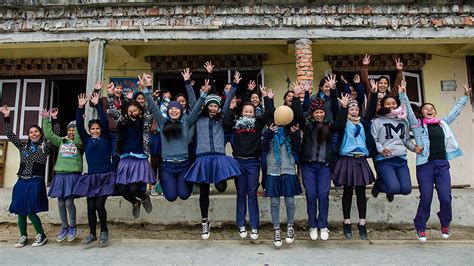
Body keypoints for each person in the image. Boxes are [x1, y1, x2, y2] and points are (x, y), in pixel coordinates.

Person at [399, 80, 471, 242]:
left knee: (446, 197)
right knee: (426, 197)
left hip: (442, 164)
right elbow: (409, 112)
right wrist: (403, 94)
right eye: (426, 108)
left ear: (435, 111)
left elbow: (455, 112)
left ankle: (445, 223)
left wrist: (465, 97)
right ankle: (420, 226)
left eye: (432, 108)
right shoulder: (417, 126)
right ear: (422, 113)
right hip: (425, 166)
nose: (429, 110)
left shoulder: (443, 124)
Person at [184, 71, 242, 240]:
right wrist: (188, 83)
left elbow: (227, 102)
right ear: (206, 106)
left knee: (222, 186)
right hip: (202, 158)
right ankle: (204, 222)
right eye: (211, 105)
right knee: (204, 192)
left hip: (218, 157)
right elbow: (195, 102)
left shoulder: (220, 118)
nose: (213, 108)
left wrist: (235, 85)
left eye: (215, 106)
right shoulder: (197, 118)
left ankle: (218, 182)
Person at [143, 73, 207, 202]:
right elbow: (153, 107)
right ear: (168, 111)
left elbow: (196, 109)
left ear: (181, 110)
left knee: (184, 195)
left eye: (176, 108)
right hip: (167, 166)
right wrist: (146, 89)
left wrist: (202, 95)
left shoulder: (187, 122)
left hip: (184, 164)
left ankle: (187, 182)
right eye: (171, 109)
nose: (173, 110)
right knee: (171, 197)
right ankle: (163, 183)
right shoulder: (163, 122)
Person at [224, 85, 275, 240]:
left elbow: (269, 114)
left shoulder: (258, 123)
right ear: (241, 112)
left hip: (253, 163)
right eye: (245, 111)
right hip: (239, 162)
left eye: (250, 111)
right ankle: (241, 225)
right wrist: (231, 107)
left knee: (252, 194)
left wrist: (268, 98)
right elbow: (226, 121)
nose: (248, 113)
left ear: (254, 113)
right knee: (241, 194)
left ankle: (254, 226)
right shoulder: (236, 122)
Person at [331, 80, 378, 241]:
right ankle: (347, 223)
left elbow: (371, 111)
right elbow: (336, 123)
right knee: (348, 192)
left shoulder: (364, 123)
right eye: (351, 108)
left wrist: (374, 93)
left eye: (356, 108)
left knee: (360, 193)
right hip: (347, 160)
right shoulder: (343, 124)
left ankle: (362, 224)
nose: (354, 110)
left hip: (361, 160)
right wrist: (343, 106)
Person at [1, 106, 52, 248]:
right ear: (28, 135)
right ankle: (23, 236)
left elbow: (54, 136)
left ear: (41, 134)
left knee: (30, 209)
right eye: (31, 132)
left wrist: (50, 119)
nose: (34, 134)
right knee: (20, 210)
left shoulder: (45, 147)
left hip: (36, 181)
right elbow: (9, 134)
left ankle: (41, 235)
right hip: (21, 181)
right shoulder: (23, 146)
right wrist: (6, 117)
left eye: (36, 132)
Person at [74, 92, 116, 246]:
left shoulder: (105, 138)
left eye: (97, 128)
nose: (95, 130)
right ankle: (92, 233)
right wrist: (80, 107)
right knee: (90, 206)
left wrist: (97, 105)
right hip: (91, 177)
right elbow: (79, 124)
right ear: (90, 130)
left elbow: (104, 121)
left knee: (99, 205)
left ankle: (104, 231)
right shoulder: (86, 140)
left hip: (105, 176)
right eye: (93, 129)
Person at [107, 88, 155, 219]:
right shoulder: (122, 122)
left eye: (134, 110)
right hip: (125, 158)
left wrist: (147, 89)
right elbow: (112, 111)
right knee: (122, 189)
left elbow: (150, 108)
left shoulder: (144, 122)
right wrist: (111, 94)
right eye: (129, 111)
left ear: (139, 111)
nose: (132, 113)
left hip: (139, 158)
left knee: (134, 189)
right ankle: (135, 202)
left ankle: (144, 197)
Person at [294, 95, 336, 241]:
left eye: (321, 112)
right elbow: (298, 115)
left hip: (324, 166)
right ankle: (313, 225)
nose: (319, 114)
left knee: (323, 195)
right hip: (308, 165)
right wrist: (295, 97)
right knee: (311, 195)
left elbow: (341, 120)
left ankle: (323, 225)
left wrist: (336, 96)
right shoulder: (307, 125)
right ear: (312, 113)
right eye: (316, 112)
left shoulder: (330, 126)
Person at [261, 106, 302, 247]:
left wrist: (296, 135)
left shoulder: (290, 131)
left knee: (290, 202)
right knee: (274, 203)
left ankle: (290, 227)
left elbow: (297, 148)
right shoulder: (269, 130)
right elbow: (263, 148)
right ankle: (276, 230)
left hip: (288, 169)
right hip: (273, 169)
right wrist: (268, 133)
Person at [370, 92, 422, 202]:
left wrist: (414, 148)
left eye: (393, 103)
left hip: (401, 160)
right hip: (384, 160)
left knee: (406, 189)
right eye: (388, 104)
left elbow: (406, 140)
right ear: (383, 106)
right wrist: (381, 149)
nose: (391, 106)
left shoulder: (403, 121)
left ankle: (385, 184)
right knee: (393, 188)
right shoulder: (377, 121)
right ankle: (379, 185)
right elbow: (373, 140)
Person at [42, 108, 83, 242]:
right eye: (70, 129)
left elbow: (78, 139)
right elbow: (49, 135)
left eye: (74, 130)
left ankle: (72, 226)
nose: (71, 132)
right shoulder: (61, 141)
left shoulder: (79, 143)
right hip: (60, 176)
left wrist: (79, 123)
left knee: (69, 202)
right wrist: (46, 119)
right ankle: (64, 227)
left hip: (72, 175)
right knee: (60, 203)